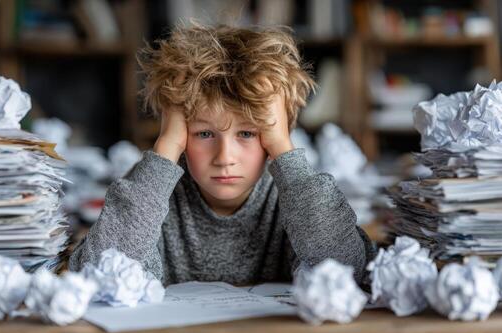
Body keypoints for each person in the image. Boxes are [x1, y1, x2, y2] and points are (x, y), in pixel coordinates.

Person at [68, 23, 375, 286]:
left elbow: (349, 270)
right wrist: (166, 146)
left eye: (247, 133)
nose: (225, 157)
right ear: (180, 134)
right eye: (204, 134)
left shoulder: (298, 198)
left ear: (275, 134)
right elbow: (94, 273)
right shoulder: (149, 192)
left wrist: (284, 147)